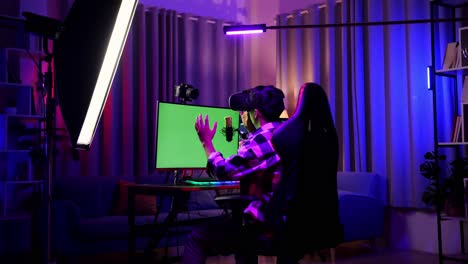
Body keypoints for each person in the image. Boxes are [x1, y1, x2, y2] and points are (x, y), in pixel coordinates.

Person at [181, 85, 286, 264]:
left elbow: (223, 171)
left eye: (244, 112)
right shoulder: (289, 133)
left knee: (196, 236)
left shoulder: (264, 137)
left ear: (255, 113)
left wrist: (206, 142)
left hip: (266, 222)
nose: (241, 117)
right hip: (292, 219)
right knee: (242, 229)